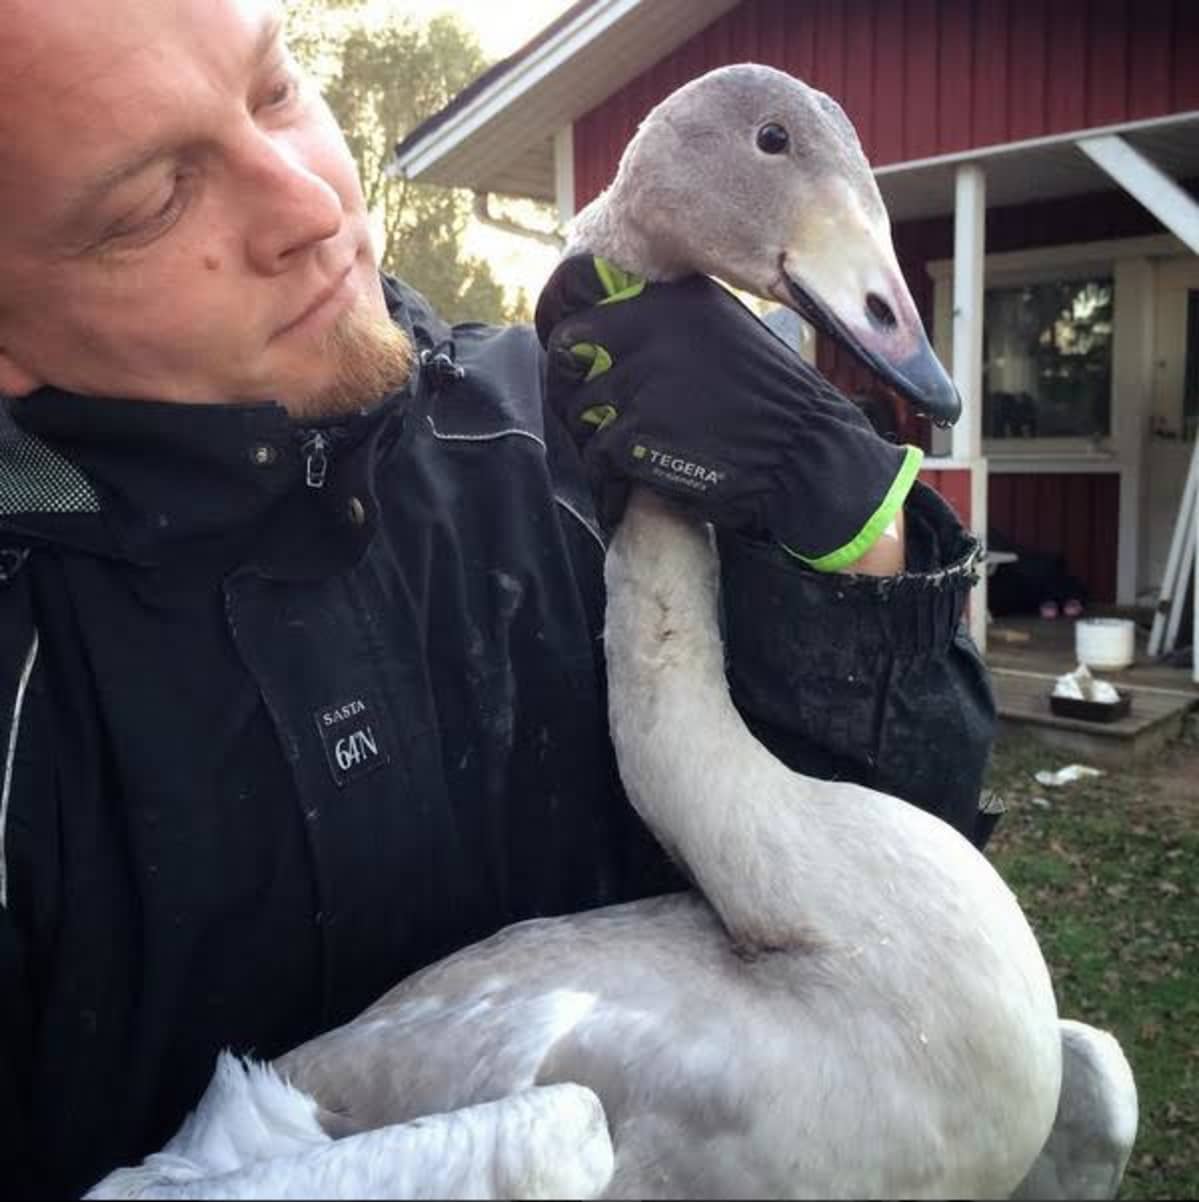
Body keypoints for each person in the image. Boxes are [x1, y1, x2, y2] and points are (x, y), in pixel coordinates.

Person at [0, 0, 994, 1194]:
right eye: (154, 202)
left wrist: (851, 533)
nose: (315, 206)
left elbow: (891, 883)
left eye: (275, 90)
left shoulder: (573, 430)